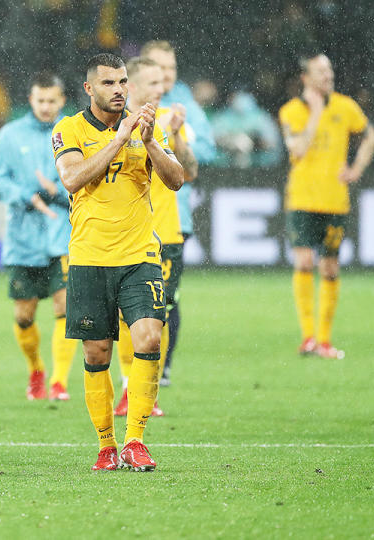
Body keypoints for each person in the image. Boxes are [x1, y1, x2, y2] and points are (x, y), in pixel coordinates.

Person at [52, 53, 184, 471]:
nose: (119, 90)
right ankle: (106, 445)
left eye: (123, 82)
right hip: (90, 257)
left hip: (139, 254)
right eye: (109, 83)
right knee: (97, 353)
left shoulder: (145, 128)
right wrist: (118, 139)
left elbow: (177, 179)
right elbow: (72, 178)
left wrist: (146, 141)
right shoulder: (68, 128)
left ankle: (135, 440)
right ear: (90, 88)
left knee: (148, 339)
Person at [279, 53, 374, 359]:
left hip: (335, 201)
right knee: (305, 262)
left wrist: (357, 168)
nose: (328, 75)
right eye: (321, 71)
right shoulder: (292, 111)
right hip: (302, 199)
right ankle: (308, 337)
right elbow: (297, 147)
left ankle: (324, 340)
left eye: (330, 69)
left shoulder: (346, 106)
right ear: (306, 78)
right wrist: (316, 112)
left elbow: (371, 135)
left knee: (330, 267)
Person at [114, 57, 199, 417]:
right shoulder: (109, 125)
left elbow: (189, 172)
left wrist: (178, 134)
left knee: (155, 317)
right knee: (121, 318)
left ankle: (146, 391)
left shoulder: (170, 122)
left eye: (162, 82)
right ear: (130, 86)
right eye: (152, 83)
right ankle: (127, 388)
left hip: (163, 235)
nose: (160, 89)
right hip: (120, 236)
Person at [0, 71, 78, 401]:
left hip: (62, 236)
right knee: (23, 316)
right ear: (31, 100)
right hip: (23, 240)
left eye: (52, 101)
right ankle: (36, 369)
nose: (46, 106)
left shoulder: (74, 130)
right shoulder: (10, 135)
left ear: (62, 101)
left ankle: (59, 382)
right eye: (40, 101)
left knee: (65, 309)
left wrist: (58, 192)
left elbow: (88, 177)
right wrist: (27, 195)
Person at [140, 40, 216, 386]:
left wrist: (175, 137)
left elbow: (203, 155)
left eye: (170, 69)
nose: (166, 77)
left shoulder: (185, 109)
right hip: (131, 220)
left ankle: (160, 370)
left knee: (167, 299)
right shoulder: (125, 108)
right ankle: (134, 374)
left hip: (174, 216)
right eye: (158, 69)